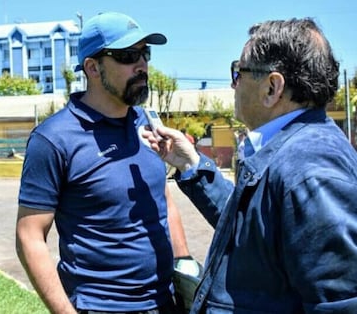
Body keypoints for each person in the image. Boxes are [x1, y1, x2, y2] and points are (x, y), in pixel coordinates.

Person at [143, 18, 357, 313]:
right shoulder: (290, 151)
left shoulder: (309, 167)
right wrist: (190, 163)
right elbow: (250, 230)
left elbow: (339, 303)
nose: (233, 84)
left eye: (238, 72)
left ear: (272, 87)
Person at [16, 11, 199, 314]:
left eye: (145, 53)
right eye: (128, 55)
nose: (141, 65)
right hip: (102, 307)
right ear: (93, 68)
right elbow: (29, 236)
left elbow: (162, 197)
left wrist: (184, 266)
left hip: (166, 302)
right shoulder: (53, 139)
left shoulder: (147, 123)